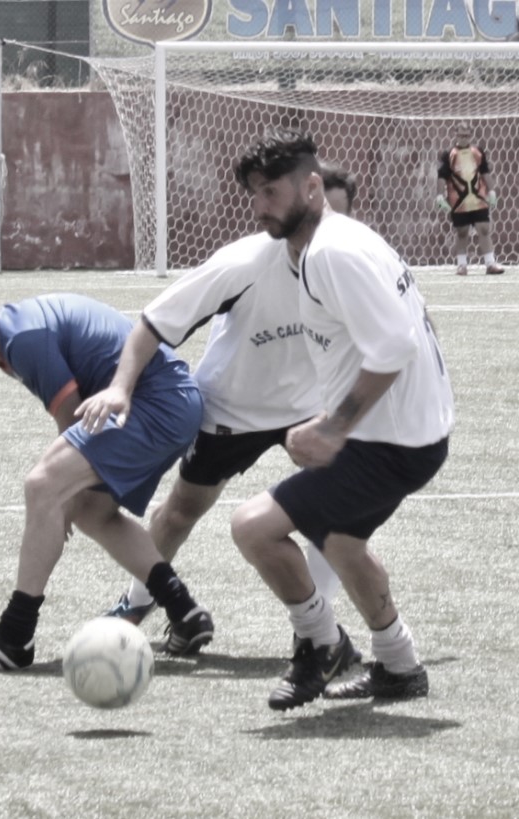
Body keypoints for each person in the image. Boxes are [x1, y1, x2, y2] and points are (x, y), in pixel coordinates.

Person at [75, 163, 362, 666]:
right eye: (317, 215)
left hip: (309, 411)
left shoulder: (355, 262)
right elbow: (152, 323)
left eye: (335, 217)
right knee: (180, 512)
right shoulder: (243, 263)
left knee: (344, 513)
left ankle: (317, 632)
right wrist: (120, 388)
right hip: (231, 410)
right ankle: (139, 603)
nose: (324, 228)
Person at [227, 130, 454, 711]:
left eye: (271, 191)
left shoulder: (332, 252)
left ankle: (321, 644)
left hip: (390, 443)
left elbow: (396, 345)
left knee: (253, 527)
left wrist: (334, 427)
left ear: (310, 186)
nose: (260, 206)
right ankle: (400, 667)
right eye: (255, 194)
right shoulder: (345, 239)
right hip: (411, 434)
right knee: (342, 544)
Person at [0, 279, 214, 672]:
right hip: (170, 403)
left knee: (43, 485)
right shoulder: (14, 333)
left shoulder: (21, 337)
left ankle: (14, 637)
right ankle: (184, 610)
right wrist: (70, 500)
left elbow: (73, 419)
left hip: (158, 402)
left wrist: (61, 496)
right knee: (92, 513)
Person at [436, 123, 504, 276]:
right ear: (455, 135)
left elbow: (485, 172)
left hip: (478, 199)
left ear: (471, 136)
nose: (463, 138)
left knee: (484, 229)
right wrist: (439, 195)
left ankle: (490, 264)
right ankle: (462, 265)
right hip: (459, 201)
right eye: (461, 135)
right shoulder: (449, 154)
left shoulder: (477, 152)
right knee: (462, 232)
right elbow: (442, 176)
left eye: (466, 135)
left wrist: (491, 191)